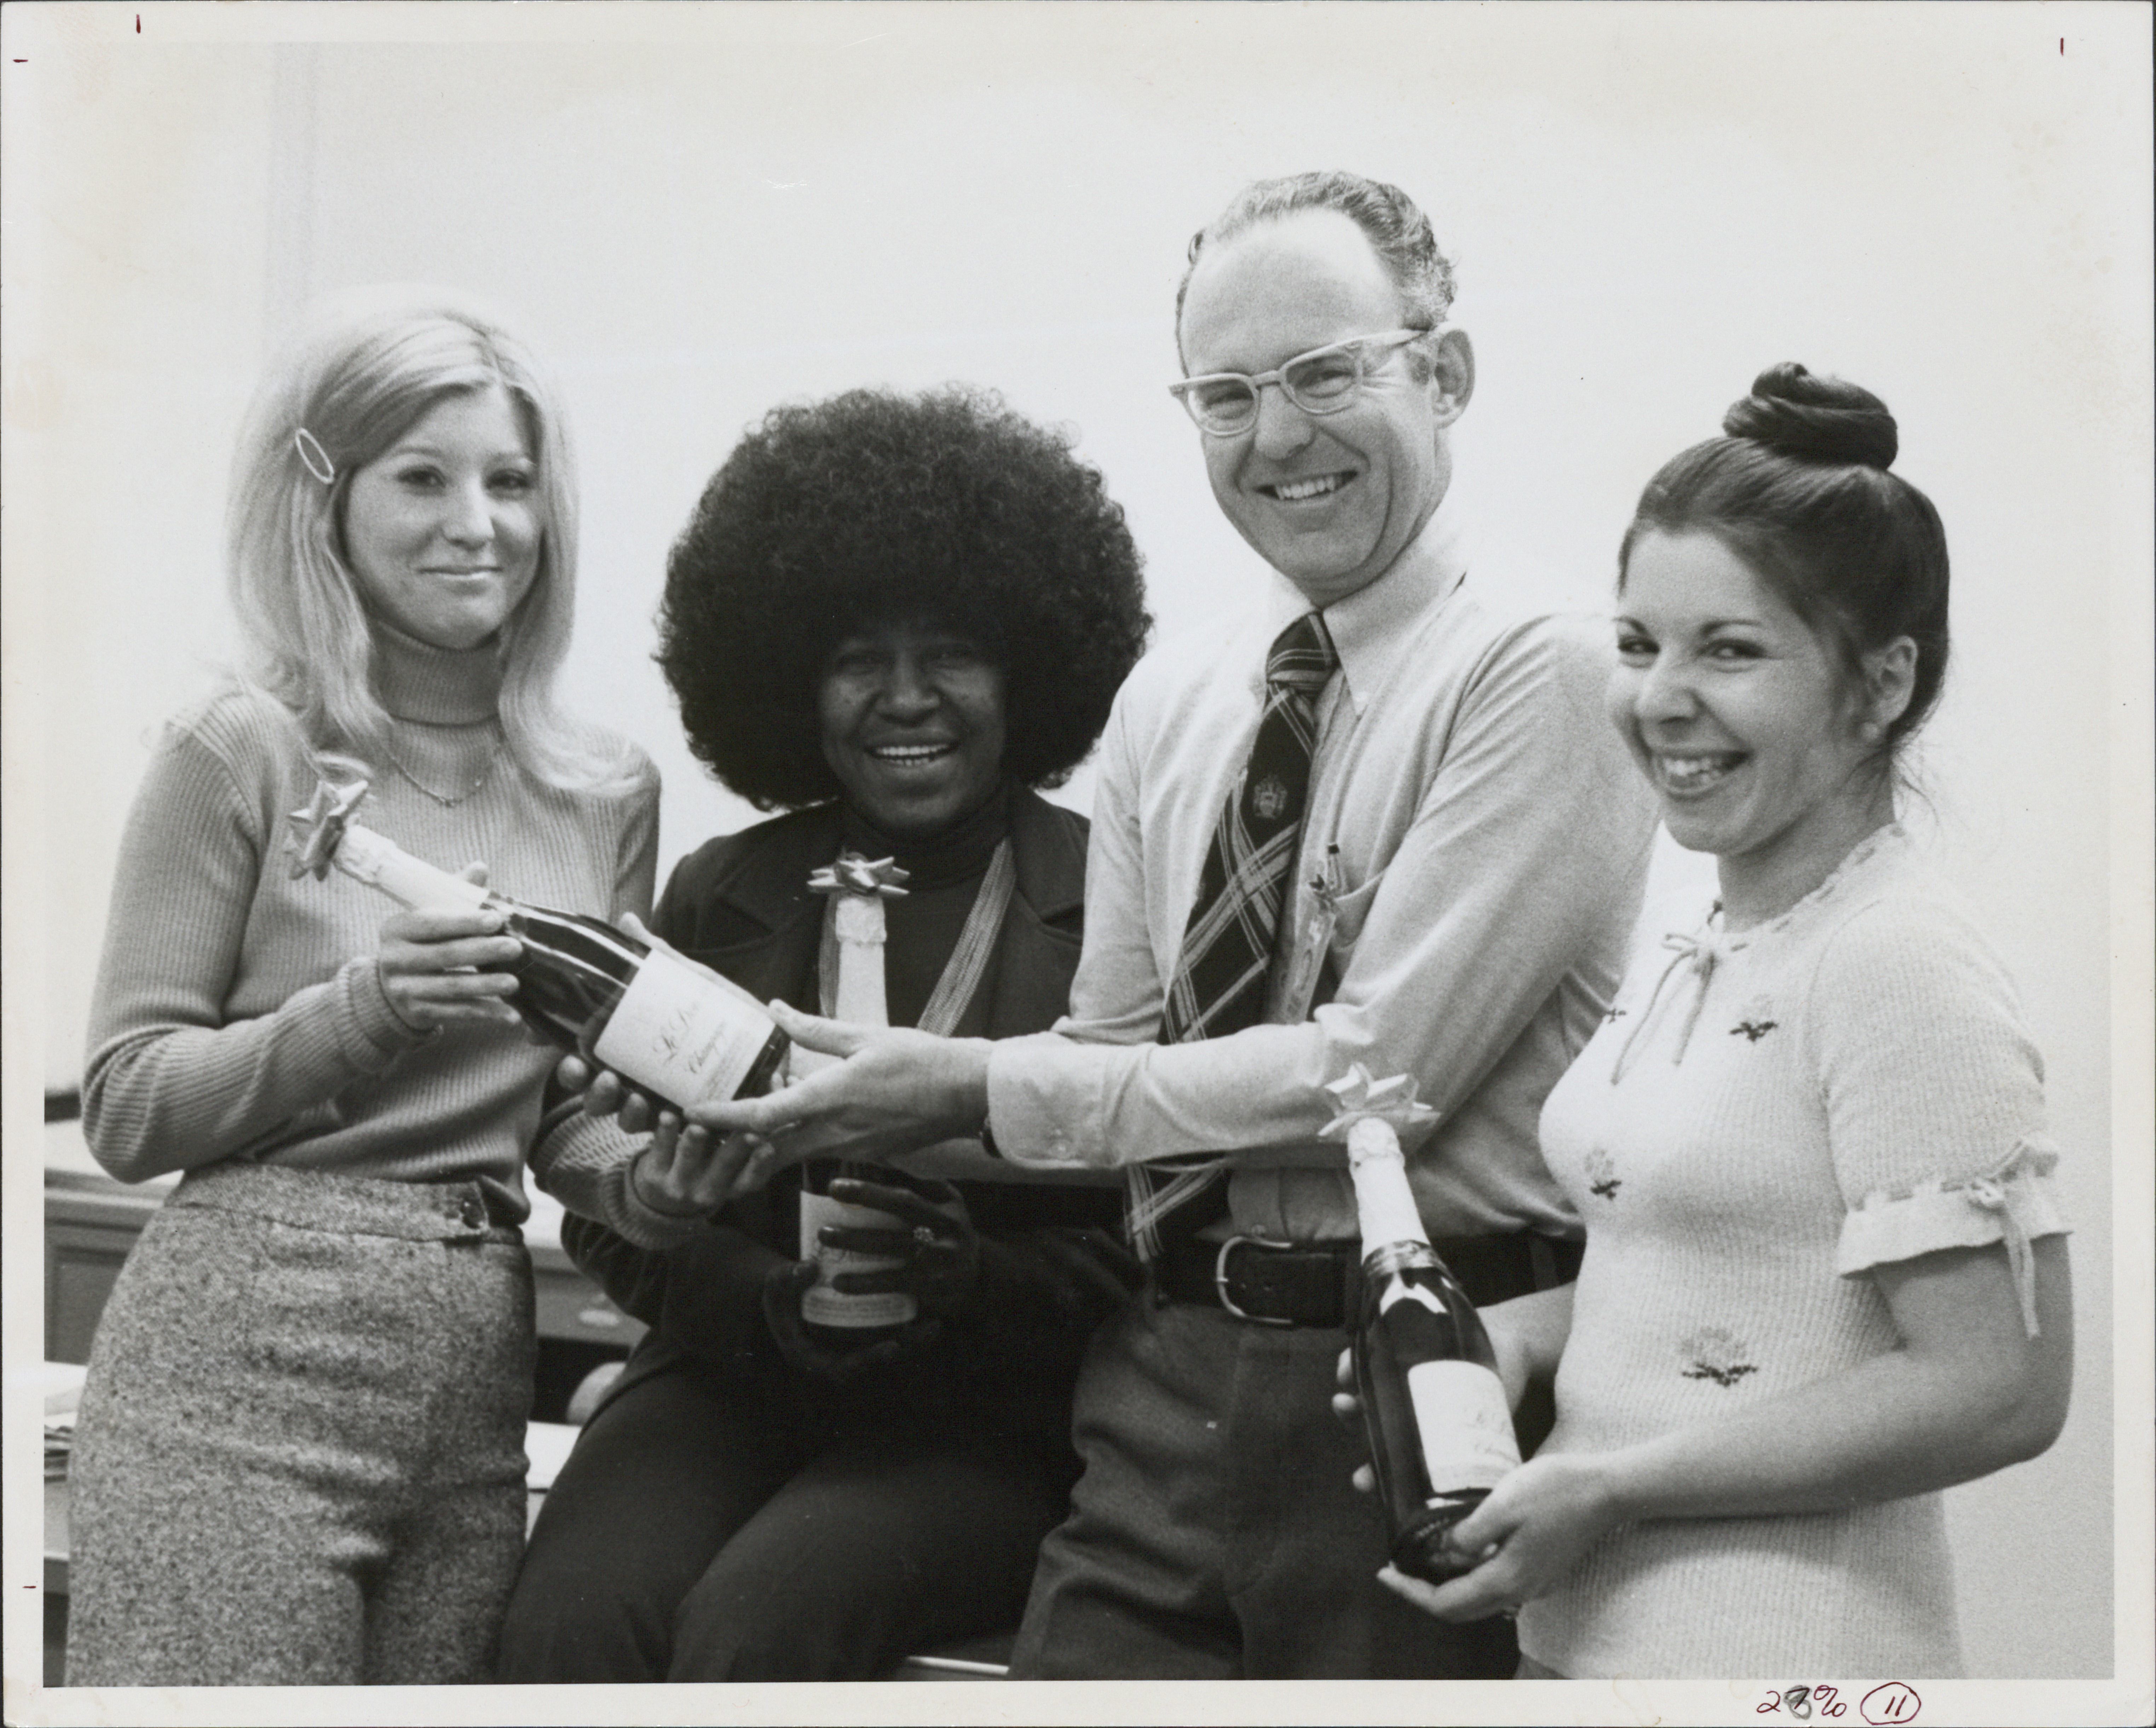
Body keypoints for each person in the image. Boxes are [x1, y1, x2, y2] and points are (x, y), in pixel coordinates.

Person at [693, 173, 1659, 1679]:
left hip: (1411, 1384)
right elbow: (1108, 1067)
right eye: (1226, 395)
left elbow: (1376, 1076)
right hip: (1160, 1386)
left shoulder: (1542, 673)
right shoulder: (1177, 698)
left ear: (1444, 373)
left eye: (1325, 374)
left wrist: (965, 1090)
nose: (1277, 438)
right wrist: (808, 1100)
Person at [1363, 364, 2073, 1677]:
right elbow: (1723, 1272)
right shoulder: (1710, 935)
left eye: (1730, 650)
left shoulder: (1898, 960)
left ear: (1881, 685)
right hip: (1593, 1644)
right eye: (1638, 644)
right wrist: (1514, 1338)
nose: (1658, 699)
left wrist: (1617, 1486)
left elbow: (2000, 1387)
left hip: (1784, 1658)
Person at [63, 290, 707, 1686]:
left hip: (474, 1370)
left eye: (512, 480)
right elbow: (125, 1105)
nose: (476, 522)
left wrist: (650, 1182)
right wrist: (370, 1006)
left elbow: (558, 1122)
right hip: (236, 1365)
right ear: (326, 504)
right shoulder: (238, 747)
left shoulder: (604, 793)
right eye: (421, 476)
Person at [494, 385, 1152, 1683]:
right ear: (796, 679)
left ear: (1028, 669)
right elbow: (609, 1215)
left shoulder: (1112, 906)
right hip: (732, 1376)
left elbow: (1161, 1223)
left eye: (951, 654)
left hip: (989, 1417)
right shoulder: (718, 896)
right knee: (568, 1629)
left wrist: (980, 1284)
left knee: (760, 1629)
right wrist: (759, 1306)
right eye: (861, 660)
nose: (908, 699)